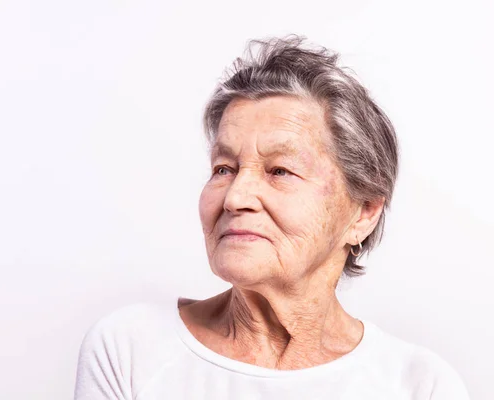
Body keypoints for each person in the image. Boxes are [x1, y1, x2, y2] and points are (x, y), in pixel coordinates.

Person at [74, 35, 470, 399]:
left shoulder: (418, 385)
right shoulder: (131, 350)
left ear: (362, 214)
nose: (235, 197)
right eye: (223, 168)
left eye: (279, 171)